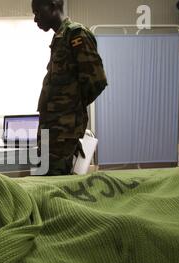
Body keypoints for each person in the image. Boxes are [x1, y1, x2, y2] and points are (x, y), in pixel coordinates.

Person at [32, 0, 107, 175]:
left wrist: (71, 111)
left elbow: (96, 81)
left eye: (37, 12)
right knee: (45, 179)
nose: (35, 18)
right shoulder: (60, 38)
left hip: (62, 132)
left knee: (54, 183)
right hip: (52, 131)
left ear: (52, 6)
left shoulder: (76, 34)